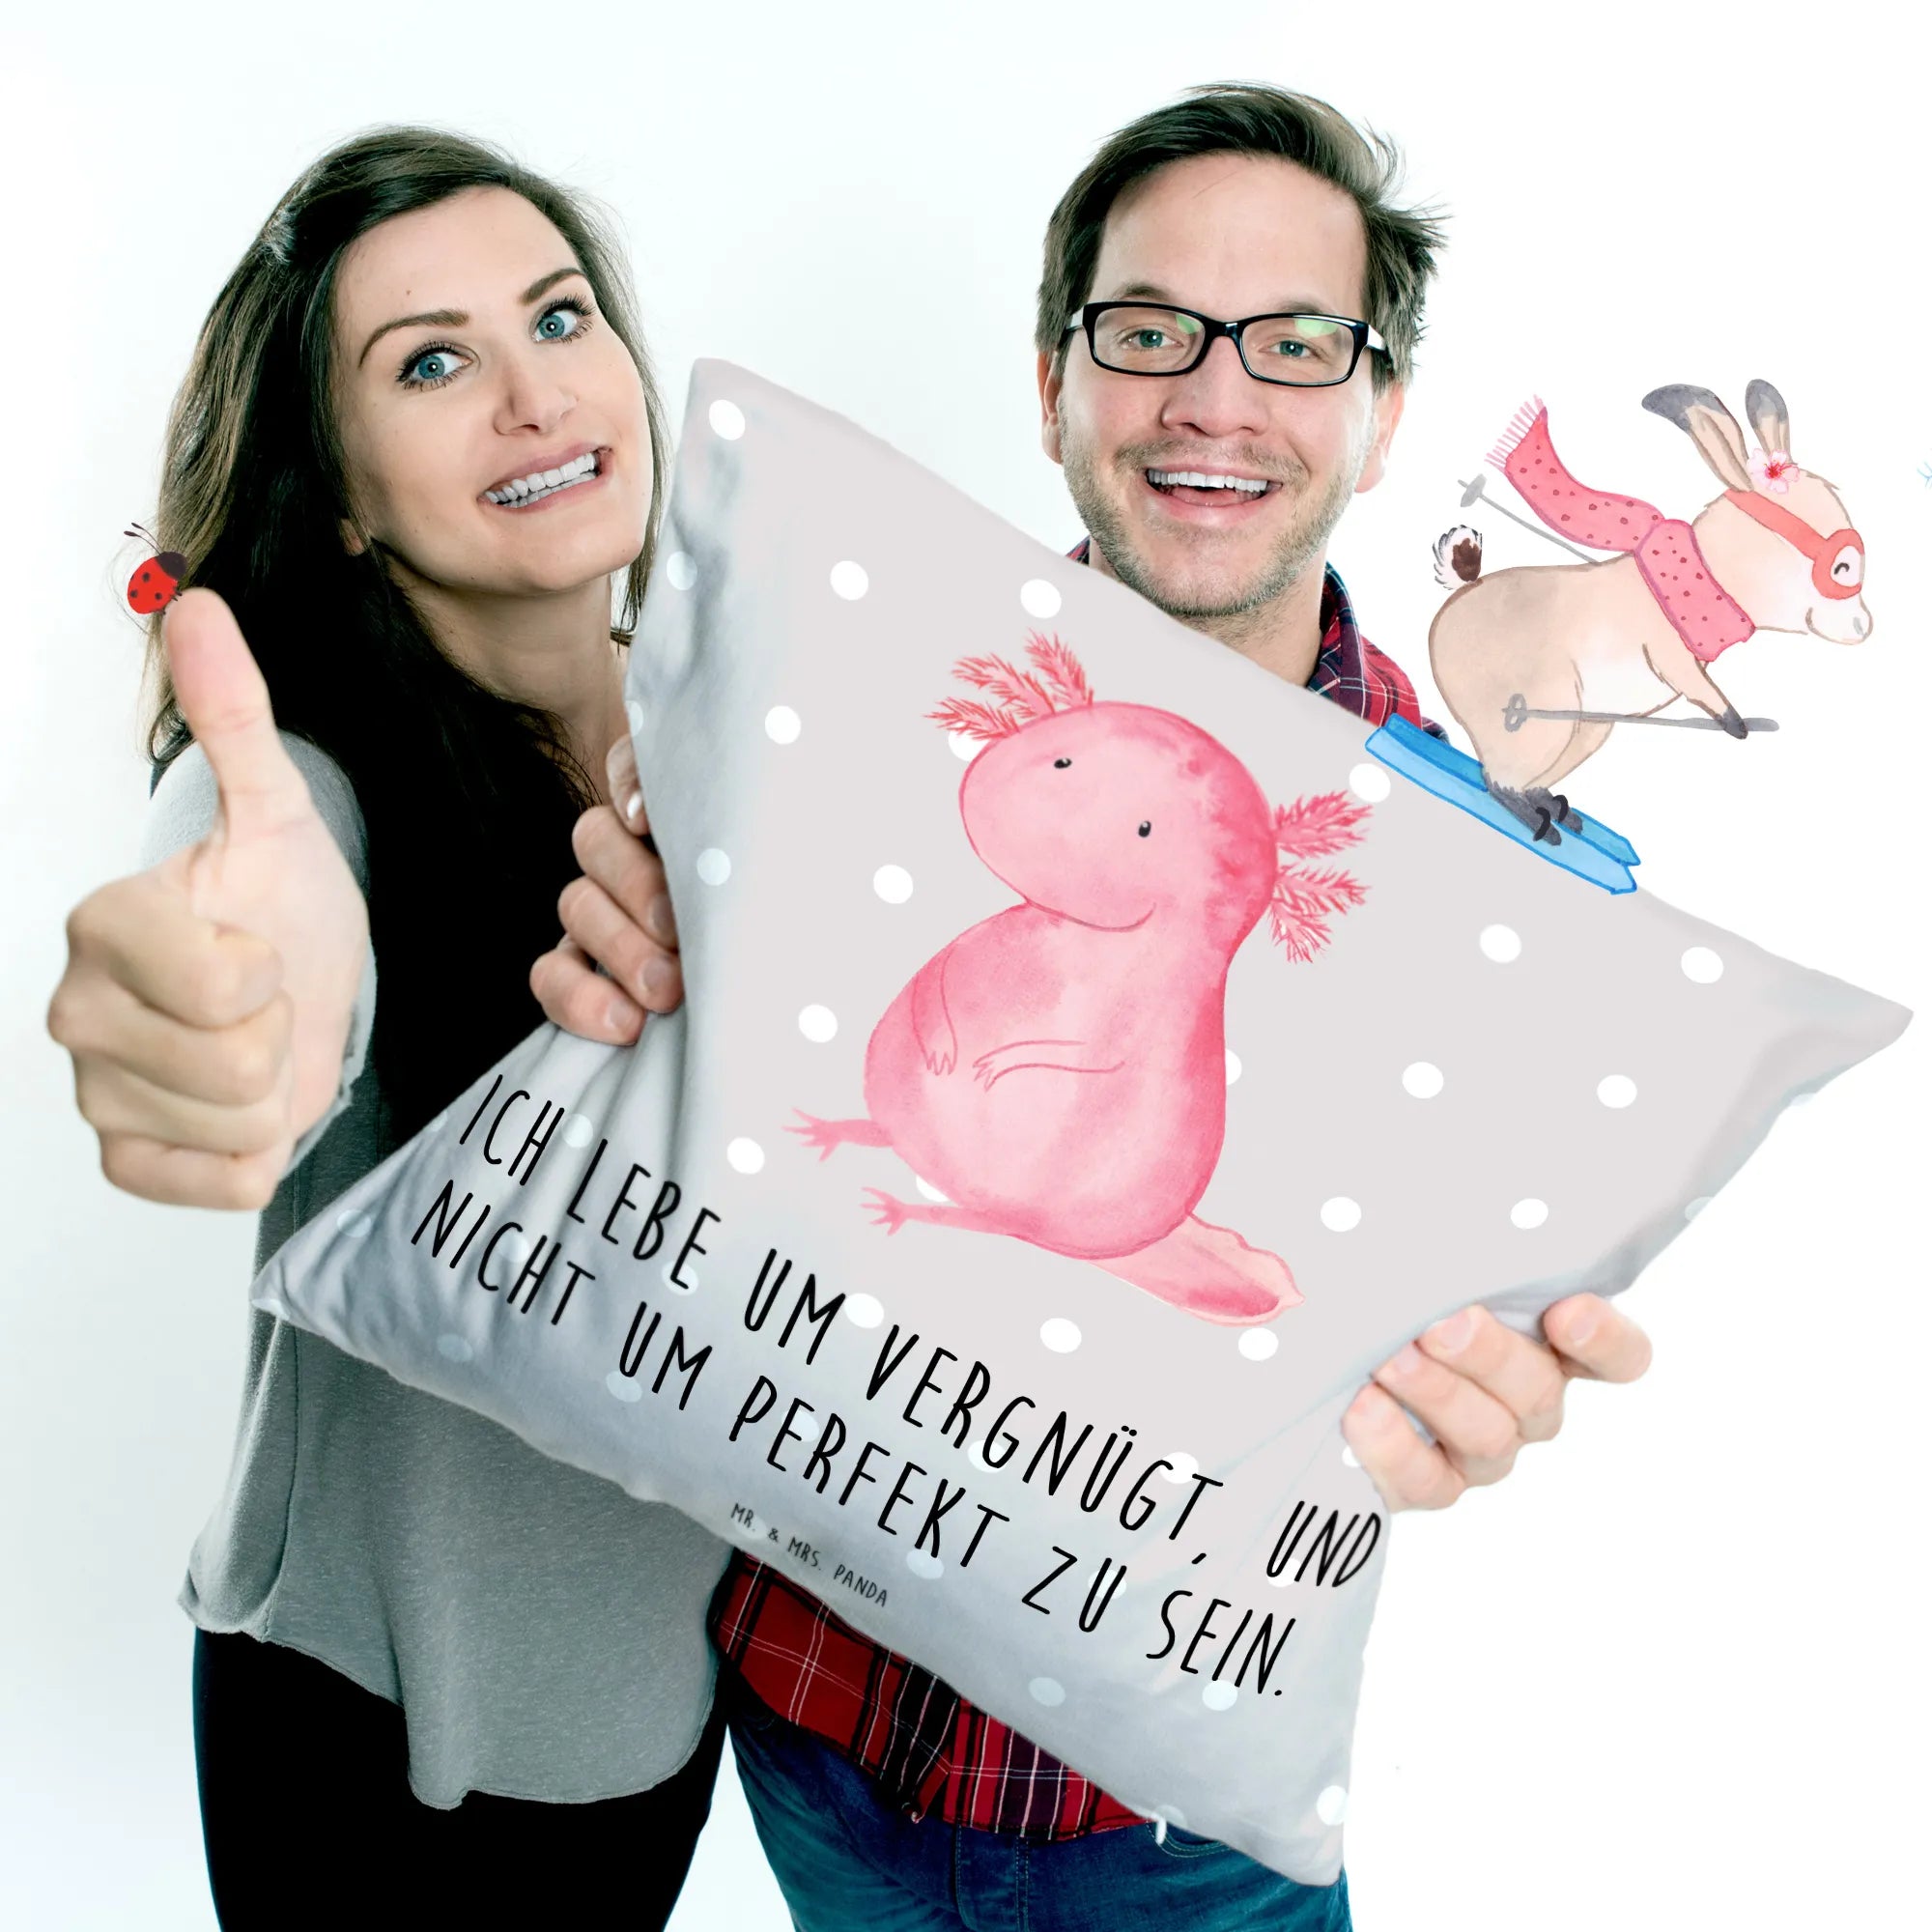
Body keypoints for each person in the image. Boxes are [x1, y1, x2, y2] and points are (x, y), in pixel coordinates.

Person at [535, 83, 1656, 1930]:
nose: (1216, 398)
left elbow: (1446, 1315)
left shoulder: (1479, 886)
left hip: (1181, 1824)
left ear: (1380, 418)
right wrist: (626, 970)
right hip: (808, 1737)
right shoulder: (838, 706)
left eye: (1297, 343)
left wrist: (1482, 1378)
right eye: (1150, 333)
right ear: (1054, 383)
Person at [44, 129, 724, 1928]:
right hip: (378, 1738)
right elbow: (253, 899)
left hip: (662, 1708)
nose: (532, 395)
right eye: (430, 363)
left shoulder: (735, 742)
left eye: (558, 318)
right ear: (341, 496)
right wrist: (222, 1000)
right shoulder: (308, 782)